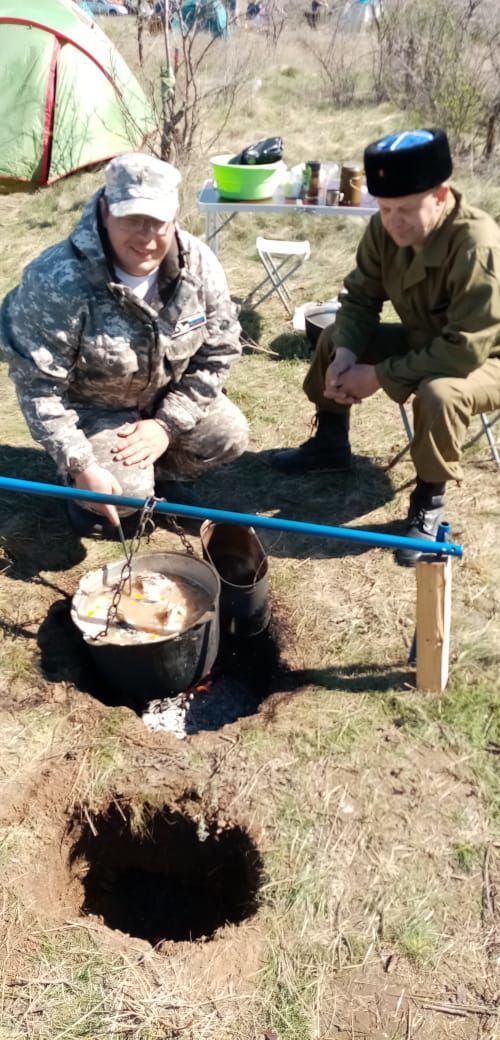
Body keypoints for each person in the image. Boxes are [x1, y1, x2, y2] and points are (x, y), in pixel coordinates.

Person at [271, 128, 500, 566]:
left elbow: (464, 350)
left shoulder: (477, 244)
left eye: (405, 210)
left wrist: (377, 375)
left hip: (484, 356)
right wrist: (346, 357)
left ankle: (429, 500)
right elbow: (359, 299)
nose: (393, 221)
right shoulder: (384, 227)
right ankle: (331, 443)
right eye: (385, 207)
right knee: (337, 333)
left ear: (440, 195)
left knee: (440, 392)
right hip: (426, 340)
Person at [0, 153, 248, 537]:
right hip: (92, 412)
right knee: (122, 499)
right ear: (105, 210)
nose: (147, 237)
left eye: (159, 222)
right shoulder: (56, 280)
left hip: (164, 400)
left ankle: (153, 478)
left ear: (175, 217)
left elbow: (218, 351)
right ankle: (86, 490)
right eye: (133, 219)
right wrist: (81, 464)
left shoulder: (198, 264)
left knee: (228, 434)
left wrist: (166, 426)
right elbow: (38, 389)